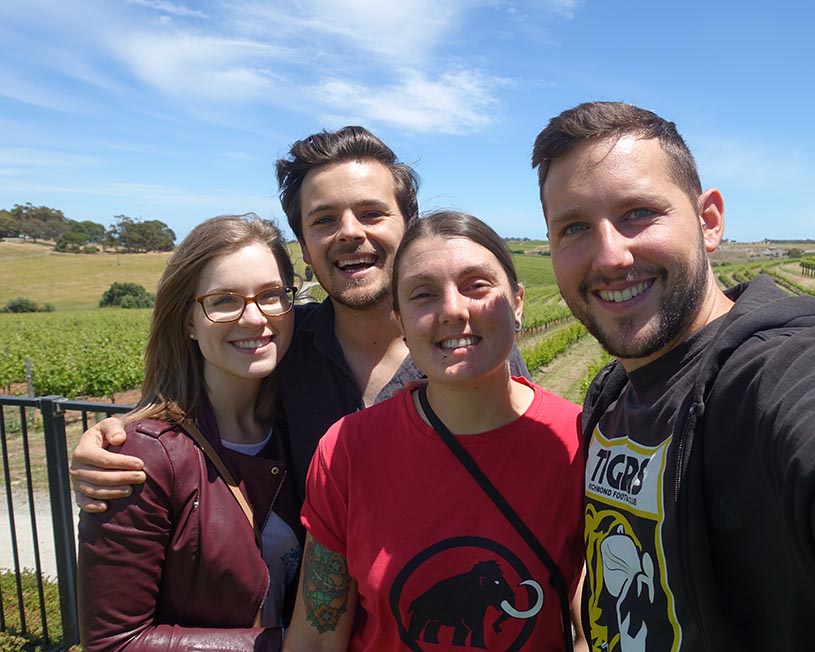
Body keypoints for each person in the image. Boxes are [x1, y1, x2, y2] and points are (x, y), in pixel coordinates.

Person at [531, 100, 815, 651]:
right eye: (573, 226)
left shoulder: (775, 374)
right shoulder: (611, 395)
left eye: (638, 213)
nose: (610, 255)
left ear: (709, 221)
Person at [69, 126, 528, 507]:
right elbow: (193, 411)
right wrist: (115, 437)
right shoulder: (283, 347)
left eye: (371, 213)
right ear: (305, 247)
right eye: (324, 220)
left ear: (409, 226)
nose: (350, 232)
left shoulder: (470, 346)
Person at [285, 211, 586, 652]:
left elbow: (593, 630)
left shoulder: (579, 441)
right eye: (423, 295)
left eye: (476, 285)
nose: (452, 310)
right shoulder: (347, 451)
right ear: (401, 322)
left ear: (517, 301)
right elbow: (315, 637)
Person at [77, 214, 302, 652]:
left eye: (271, 295)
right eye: (223, 301)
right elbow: (114, 643)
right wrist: (294, 646)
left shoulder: (298, 430)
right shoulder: (142, 455)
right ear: (188, 322)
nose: (255, 318)